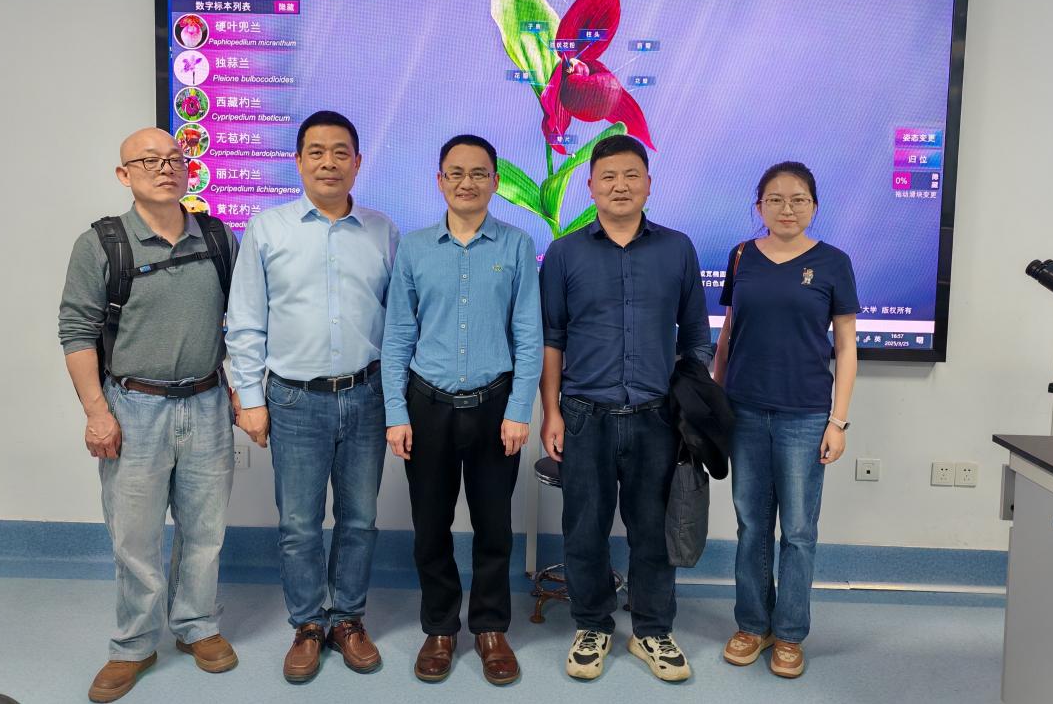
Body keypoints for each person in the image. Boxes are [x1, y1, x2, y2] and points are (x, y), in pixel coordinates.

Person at [59, 128, 240, 703]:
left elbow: (242, 323)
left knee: (205, 531)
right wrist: (96, 412)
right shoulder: (102, 244)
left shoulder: (218, 238)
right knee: (134, 539)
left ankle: (197, 626)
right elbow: (76, 331)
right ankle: (133, 645)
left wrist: (241, 391)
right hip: (133, 408)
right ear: (124, 175)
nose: (165, 168)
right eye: (149, 160)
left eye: (174, 159)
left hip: (208, 404)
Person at [225, 110, 399, 683]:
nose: (329, 163)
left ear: (357, 162)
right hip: (294, 401)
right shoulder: (267, 229)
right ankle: (306, 624)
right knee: (299, 523)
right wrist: (250, 399)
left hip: (367, 395)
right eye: (316, 152)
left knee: (360, 519)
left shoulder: (383, 231)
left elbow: (399, 323)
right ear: (298, 161)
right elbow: (245, 320)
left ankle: (348, 619)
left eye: (340, 152)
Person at [539, 134, 711, 683]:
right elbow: (552, 339)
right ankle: (592, 624)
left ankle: (652, 630)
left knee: (653, 531)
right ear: (590, 186)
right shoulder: (564, 253)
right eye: (608, 176)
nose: (620, 185)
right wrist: (551, 412)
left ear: (648, 184)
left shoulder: (677, 249)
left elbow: (697, 335)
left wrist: (690, 404)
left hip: (656, 418)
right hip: (583, 415)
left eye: (631, 175)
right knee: (584, 530)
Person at [382, 134, 542, 685]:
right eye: (456, 172)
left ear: (495, 181)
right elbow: (398, 335)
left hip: (496, 407)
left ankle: (491, 627)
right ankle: (440, 628)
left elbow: (528, 335)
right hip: (427, 405)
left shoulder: (517, 245)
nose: (467, 182)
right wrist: (395, 413)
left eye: (478, 173)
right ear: (440, 181)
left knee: (495, 525)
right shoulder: (415, 248)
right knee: (431, 524)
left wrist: (519, 410)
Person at [712, 160, 858, 679]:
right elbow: (729, 332)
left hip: (805, 414)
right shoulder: (741, 256)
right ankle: (753, 625)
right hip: (745, 410)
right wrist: (716, 400)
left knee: (797, 530)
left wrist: (838, 421)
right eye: (775, 199)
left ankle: (790, 632)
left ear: (814, 206)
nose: (787, 208)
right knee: (752, 525)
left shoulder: (833, 262)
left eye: (798, 199)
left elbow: (846, 346)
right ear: (759, 206)